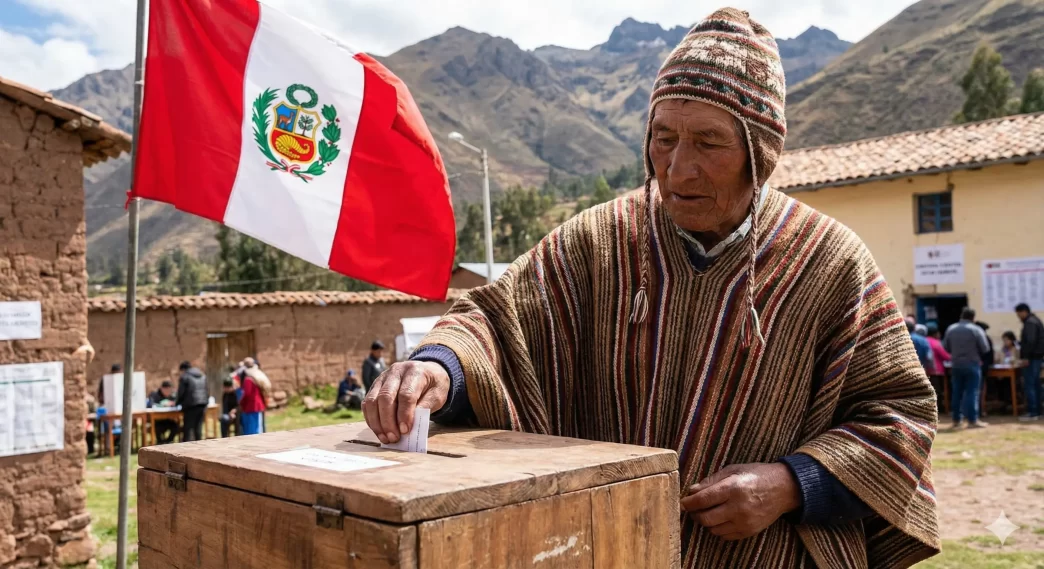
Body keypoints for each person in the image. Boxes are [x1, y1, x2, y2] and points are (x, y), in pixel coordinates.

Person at [363, 9, 940, 567]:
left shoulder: (829, 262)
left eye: (709, 143)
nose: (678, 167)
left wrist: (791, 483)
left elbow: (901, 415)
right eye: (663, 138)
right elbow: (495, 320)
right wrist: (437, 366)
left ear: (759, 154)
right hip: (603, 547)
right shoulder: (600, 240)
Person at [944, 309, 990, 429]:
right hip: (972, 364)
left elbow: (946, 347)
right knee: (972, 392)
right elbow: (985, 348)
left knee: (956, 392)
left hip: (956, 364)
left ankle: (956, 420)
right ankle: (972, 420)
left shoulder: (951, 329)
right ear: (973, 317)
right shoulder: (976, 329)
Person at [1016, 303, 1043, 421]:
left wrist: (1025, 357)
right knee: (1036, 384)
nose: (1018, 317)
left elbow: (1030, 341)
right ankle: (1038, 410)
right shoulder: (1036, 320)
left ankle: (1033, 411)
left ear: (1024, 312)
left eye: (1018, 314)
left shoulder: (1030, 323)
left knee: (1030, 384)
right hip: (1036, 357)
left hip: (1032, 358)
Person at [175, 361, 209, 441]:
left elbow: (181, 392)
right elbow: (207, 390)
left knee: (188, 429)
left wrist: (177, 403)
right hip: (202, 404)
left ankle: (186, 450)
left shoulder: (184, 376)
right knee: (198, 428)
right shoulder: (202, 375)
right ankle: (199, 448)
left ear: (183, 369)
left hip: (190, 405)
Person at [237, 363, 267, 435]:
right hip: (255, 406)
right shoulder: (255, 378)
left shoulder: (248, 380)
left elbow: (247, 394)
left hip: (251, 407)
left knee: (252, 430)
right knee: (257, 428)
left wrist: (241, 403)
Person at [147, 380, 179, 444]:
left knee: (176, 426)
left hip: (168, 419)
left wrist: (173, 403)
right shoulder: (154, 394)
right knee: (157, 427)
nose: (168, 392)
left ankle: (168, 441)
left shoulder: (173, 395)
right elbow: (150, 404)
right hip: (157, 420)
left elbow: (177, 403)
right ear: (162, 388)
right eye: (166, 390)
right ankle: (160, 442)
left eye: (169, 390)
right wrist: (161, 405)